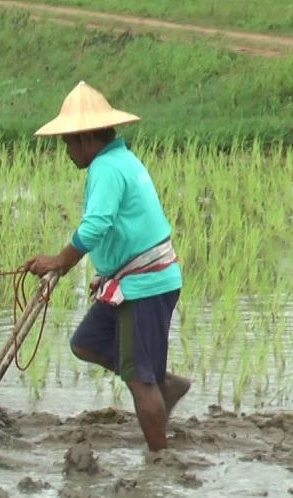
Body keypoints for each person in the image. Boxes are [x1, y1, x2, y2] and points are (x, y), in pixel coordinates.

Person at [24, 81, 190, 451]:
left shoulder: (106, 168)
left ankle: (160, 462)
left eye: (68, 141)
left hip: (144, 284)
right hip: (132, 281)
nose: (66, 150)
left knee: (138, 381)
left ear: (85, 137)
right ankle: (162, 383)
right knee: (87, 343)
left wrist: (60, 262)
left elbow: (96, 224)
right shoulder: (119, 160)